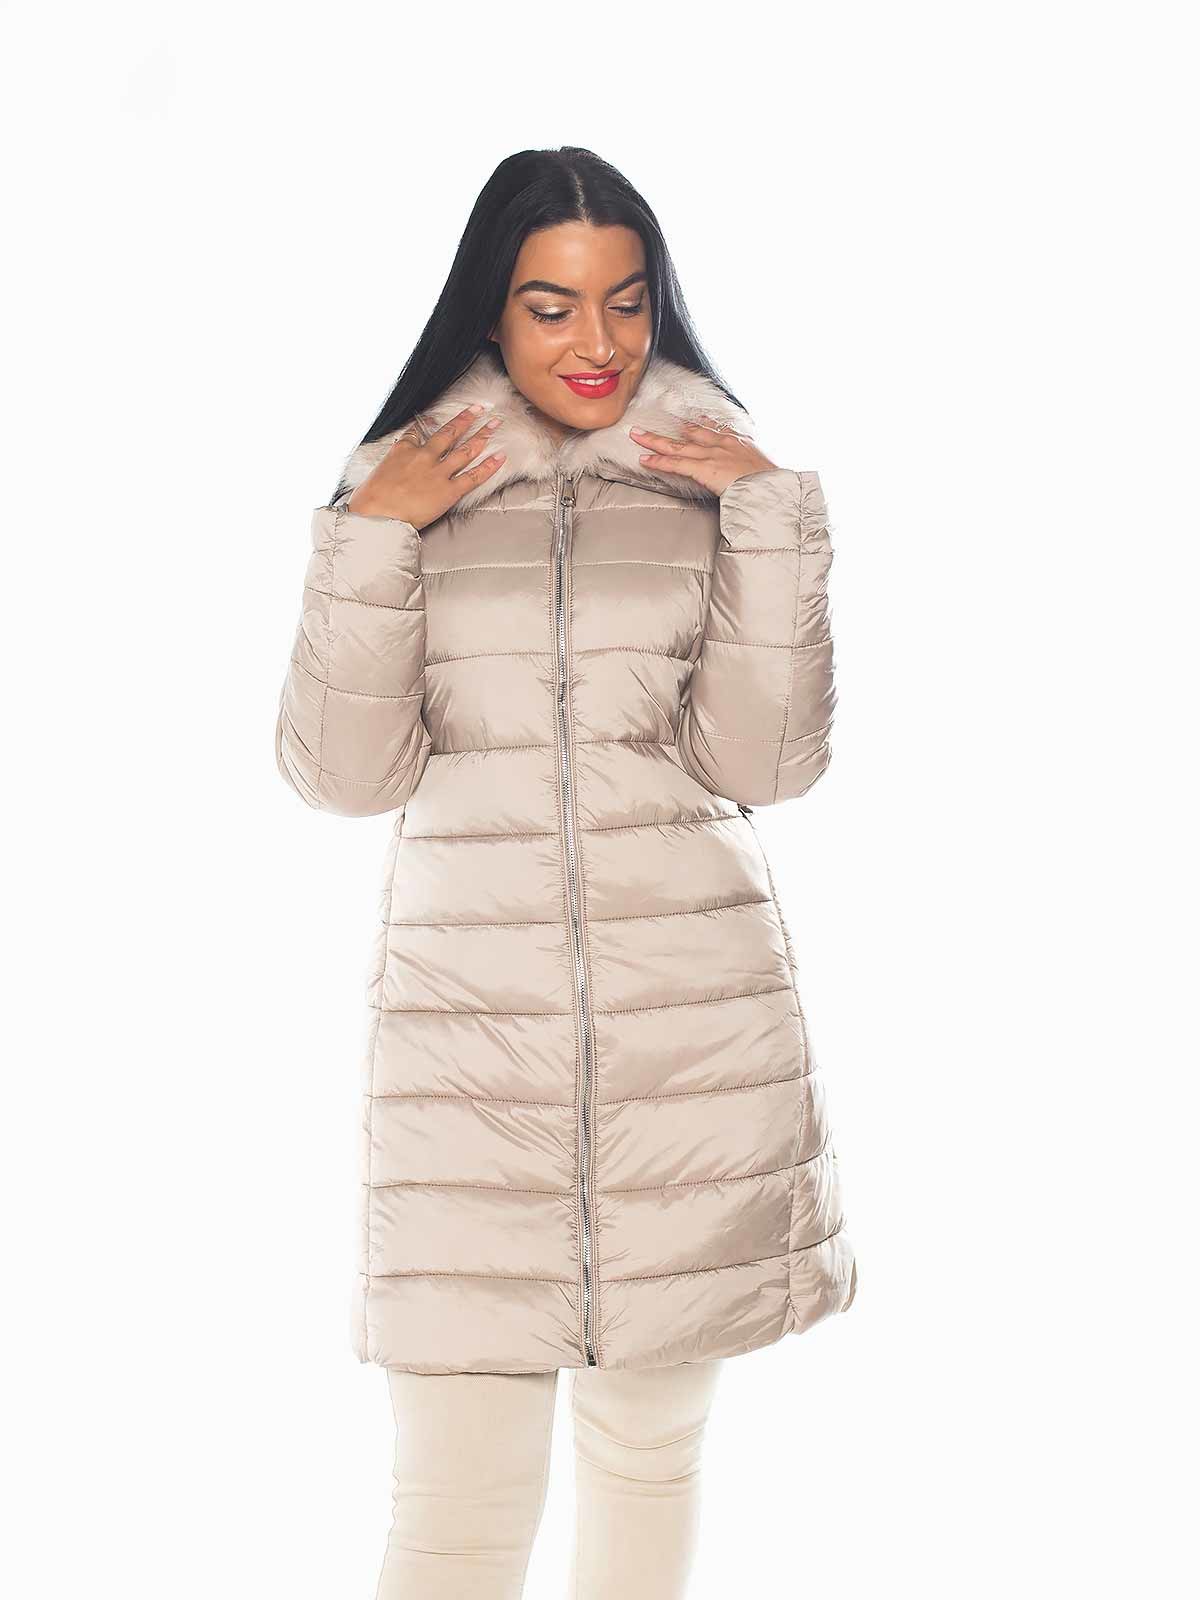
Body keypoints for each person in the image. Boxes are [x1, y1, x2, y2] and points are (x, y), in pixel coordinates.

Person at [274, 145, 857, 1599]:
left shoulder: (711, 480)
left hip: (690, 1049)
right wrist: (368, 538)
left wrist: (772, 520)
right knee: (456, 1508)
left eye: (625, 301)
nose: (597, 343)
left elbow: (765, 761)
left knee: (649, 1458)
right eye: (551, 307)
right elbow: (345, 778)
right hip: (470, 1063)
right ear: (490, 309)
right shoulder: (403, 490)